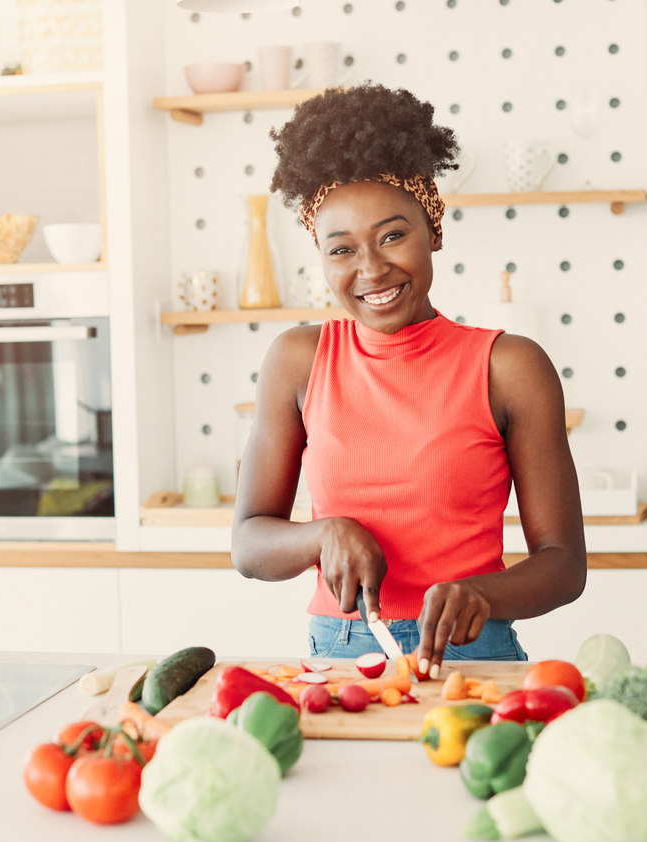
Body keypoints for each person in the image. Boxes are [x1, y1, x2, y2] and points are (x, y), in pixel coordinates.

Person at [231, 83, 585, 674]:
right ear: (321, 256)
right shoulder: (297, 359)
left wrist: (482, 594)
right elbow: (248, 545)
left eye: (393, 236)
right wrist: (323, 535)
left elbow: (564, 564)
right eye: (341, 250)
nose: (371, 270)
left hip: (473, 653)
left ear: (434, 231)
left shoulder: (509, 368)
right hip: (338, 657)